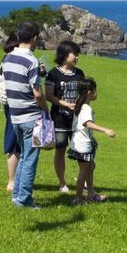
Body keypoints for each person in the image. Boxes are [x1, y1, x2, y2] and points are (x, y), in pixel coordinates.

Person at [1, 21, 49, 209]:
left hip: (15, 116)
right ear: (35, 38)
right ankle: (24, 200)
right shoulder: (32, 61)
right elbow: (37, 93)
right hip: (31, 116)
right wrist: (45, 110)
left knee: (23, 156)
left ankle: (17, 195)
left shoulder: (7, 58)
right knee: (30, 158)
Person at [44, 41, 84, 195]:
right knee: (60, 150)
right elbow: (49, 96)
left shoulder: (79, 73)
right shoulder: (53, 74)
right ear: (65, 55)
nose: (77, 57)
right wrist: (67, 105)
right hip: (59, 119)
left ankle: (84, 180)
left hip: (76, 119)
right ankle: (62, 183)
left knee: (81, 149)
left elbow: (84, 93)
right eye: (75, 54)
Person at [68, 78, 116, 204]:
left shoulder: (81, 104)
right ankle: (78, 198)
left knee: (90, 166)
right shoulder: (85, 108)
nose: (96, 93)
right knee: (84, 171)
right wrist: (105, 130)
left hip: (80, 142)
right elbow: (87, 123)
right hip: (82, 144)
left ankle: (90, 194)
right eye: (95, 90)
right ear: (89, 92)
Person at [0, 32, 21, 194]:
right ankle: (12, 181)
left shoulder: (7, 58)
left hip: (12, 105)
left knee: (17, 143)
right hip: (17, 106)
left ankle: (15, 180)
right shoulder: (12, 58)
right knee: (15, 144)